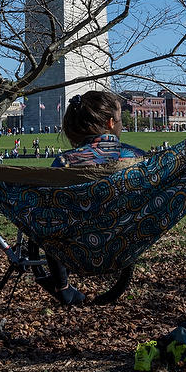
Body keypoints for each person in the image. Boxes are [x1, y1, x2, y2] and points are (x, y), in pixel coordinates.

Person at [38, 91, 145, 306]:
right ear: (110, 123)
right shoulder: (137, 157)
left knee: (46, 215)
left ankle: (62, 285)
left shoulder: (64, 161)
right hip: (120, 239)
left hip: (73, 248)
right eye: (120, 120)